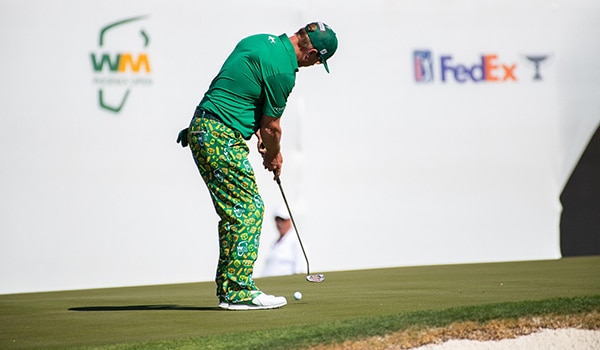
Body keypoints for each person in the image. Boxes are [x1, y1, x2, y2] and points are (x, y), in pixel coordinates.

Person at [177, 22, 337, 310]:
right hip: (221, 135)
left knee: (236, 211)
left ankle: (230, 288)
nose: (312, 65)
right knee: (247, 209)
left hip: (202, 126)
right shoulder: (284, 71)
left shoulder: (259, 40)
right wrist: (273, 156)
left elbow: (237, 91)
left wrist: (257, 135)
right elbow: (272, 128)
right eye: (317, 61)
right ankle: (237, 291)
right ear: (312, 53)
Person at [260, 207, 306, 277]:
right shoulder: (275, 242)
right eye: (277, 220)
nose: (280, 223)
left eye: (283, 220)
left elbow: (300, 270)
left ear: (290, 220)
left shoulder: (296, 241)